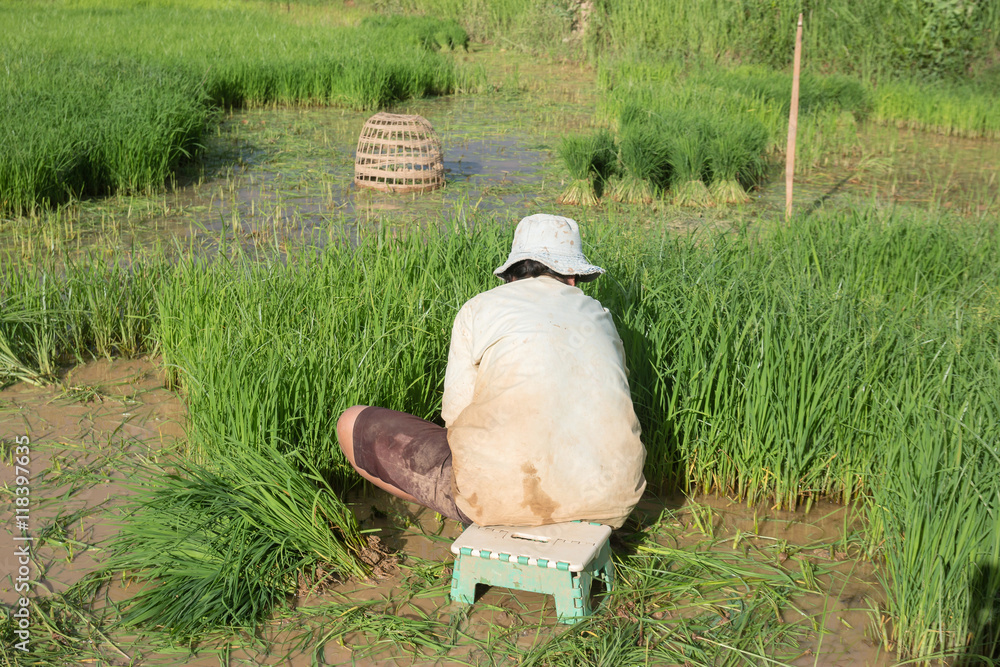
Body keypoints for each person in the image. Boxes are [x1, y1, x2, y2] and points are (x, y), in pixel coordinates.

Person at [337, 214, 646, 528]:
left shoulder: (479, 307)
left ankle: (482, 514)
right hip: (613, 500)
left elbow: (455, 417)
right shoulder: (600, 314)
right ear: (572, 278)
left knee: (351, 423)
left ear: (512, 275)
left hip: (502, 500)